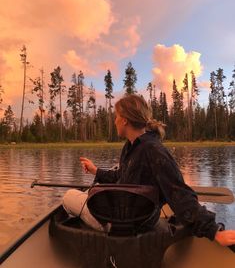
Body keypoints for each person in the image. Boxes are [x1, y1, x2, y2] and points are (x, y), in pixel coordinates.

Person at [63, 94, 235, 246]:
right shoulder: (131, 146)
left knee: (68, 197)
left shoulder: (153, 150)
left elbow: (179, 193)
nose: (114, 120)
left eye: (116, 116)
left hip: (130, 222)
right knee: (88, 196)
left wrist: (213, 231)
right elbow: (120, 176)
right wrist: (95, 171)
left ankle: (107, 231)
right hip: (139, 216)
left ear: (124, 120)